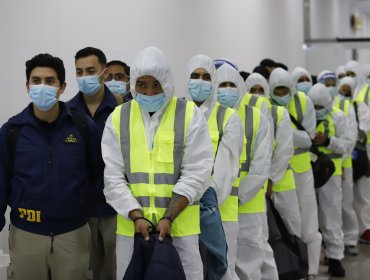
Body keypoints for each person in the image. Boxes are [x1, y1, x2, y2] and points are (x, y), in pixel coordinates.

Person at [101, 46, 214, 280]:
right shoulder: (118, 117)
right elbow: (113, 177)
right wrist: (136, 216)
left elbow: (197, 172)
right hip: (133, 230)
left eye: (156, 84)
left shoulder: (190, 114)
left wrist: (169, 217)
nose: (149, 92)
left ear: (167, 82)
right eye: (141, 84)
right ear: (133, 84)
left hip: (180, 229)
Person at [0, 53, 99, 279]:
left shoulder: (83, 127)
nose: (42, 87)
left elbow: (97, 174)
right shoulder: (12, 131)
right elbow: (1, 183)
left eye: (50, 81)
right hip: (26, 234)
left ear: (62, 87)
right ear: (27, 86)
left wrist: (82, 207)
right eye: (36, 81)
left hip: (73, 234)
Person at [185, 54, 243, 280]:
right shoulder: (177, 111)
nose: (200, 82)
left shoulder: (227, 117)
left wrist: (206, 204)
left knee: (222, 270)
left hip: (217, 208)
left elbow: (225, 170)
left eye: (206, 77)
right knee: (192, 270)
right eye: (195, 76)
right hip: (183, 208)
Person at [215, 63, 274, 280]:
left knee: (250, 264)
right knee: (223, 265)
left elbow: (261, 165)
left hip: (247, 203)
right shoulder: (205, 115)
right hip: (216, 206)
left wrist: (239, 196)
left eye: (232, 85)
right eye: (222, 85)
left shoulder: (256, 117)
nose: (228, 89)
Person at [68, 47, 120, 280]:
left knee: (116, 268)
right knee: (83, 270)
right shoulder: (67, 112)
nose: (84, 77)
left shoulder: (122, 109)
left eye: (91, 70)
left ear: (105, 73)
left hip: (116, 207)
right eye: (79, 72)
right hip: (80, 208)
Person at [269, 68, 322, 280]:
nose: (282, 95)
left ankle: (312, 270)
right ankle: (294, 267)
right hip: (279, 172)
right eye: (277, 91)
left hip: (301, 169)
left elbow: (309, 139)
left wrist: (283, 130)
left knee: (310, 222)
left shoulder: (302, 102)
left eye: (285, 91)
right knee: (289, 223)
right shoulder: (267, 105)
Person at [246, 73, 298, 280]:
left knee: (283, 233)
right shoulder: (240, 114)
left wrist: (270, 179)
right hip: (253, 190)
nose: (257, 95)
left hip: (276, 183)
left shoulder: (278, 114)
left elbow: (283, 150)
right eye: (253, 90)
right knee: (260, 241)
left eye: (261, 90)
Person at [307, 83, 349, 277]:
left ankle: (335, 257)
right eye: (313, 107)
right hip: (307, 172)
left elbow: (347, 145)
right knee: (308, 218)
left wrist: (328, 141)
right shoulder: (304, 115)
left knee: (331, 216)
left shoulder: (339, 117)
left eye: (320, 108)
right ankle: (309, 260)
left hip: (330, 174)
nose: (316, 112)